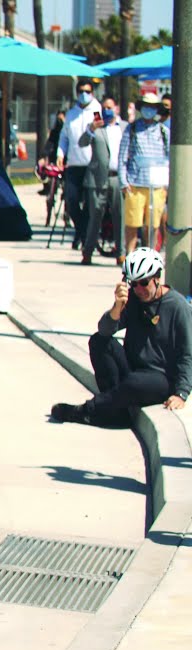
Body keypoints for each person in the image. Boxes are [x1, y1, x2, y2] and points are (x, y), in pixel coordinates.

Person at [51, 248, 191, 427]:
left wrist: (181, 393)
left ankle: (86, 411)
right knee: (99, 341)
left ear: (157, 278)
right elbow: (104, 330)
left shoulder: (178, 306)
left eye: (144, 282)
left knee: (135, 382)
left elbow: (187, 353)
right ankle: (117, 413)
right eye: (134, 283)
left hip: (160, 378)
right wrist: (117, 308)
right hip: (133, 369)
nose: (139, 289)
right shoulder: (132, 299)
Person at [118, 91, 171, 260]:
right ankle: (130, 256)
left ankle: (150, 258)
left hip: (156, 186)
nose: (149, 110)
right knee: (132, 224)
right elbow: (122, 157)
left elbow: (170, 159)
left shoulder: (163, 131)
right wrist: (123, 182)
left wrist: (167, 185)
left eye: (153, 107)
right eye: (146, 106)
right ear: (141, 108)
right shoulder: (132, 128)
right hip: (135, 184)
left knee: (153, 225)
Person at [58, 78, 102, 252]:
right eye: (82, 91)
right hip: (74, 164)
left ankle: (85, 236)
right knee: (72, 201)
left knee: (91, 205)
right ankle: (82, 232)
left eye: (88, 91)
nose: (85, 94)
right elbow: (64, 137)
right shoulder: (71, 114)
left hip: (92, 165)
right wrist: (60, 154)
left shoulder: (97, 111)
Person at [78, 100, 123, 265]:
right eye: (104, 107)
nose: (107, 110)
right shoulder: (96, 128)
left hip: (118, 177)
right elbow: (82, 143)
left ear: (116, 109)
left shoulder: (124, 127)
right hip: (97, 179)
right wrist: (91, 129)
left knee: (120, 215)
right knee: (95, 216)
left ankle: (121, 252)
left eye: (110, 107)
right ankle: (88, 251)